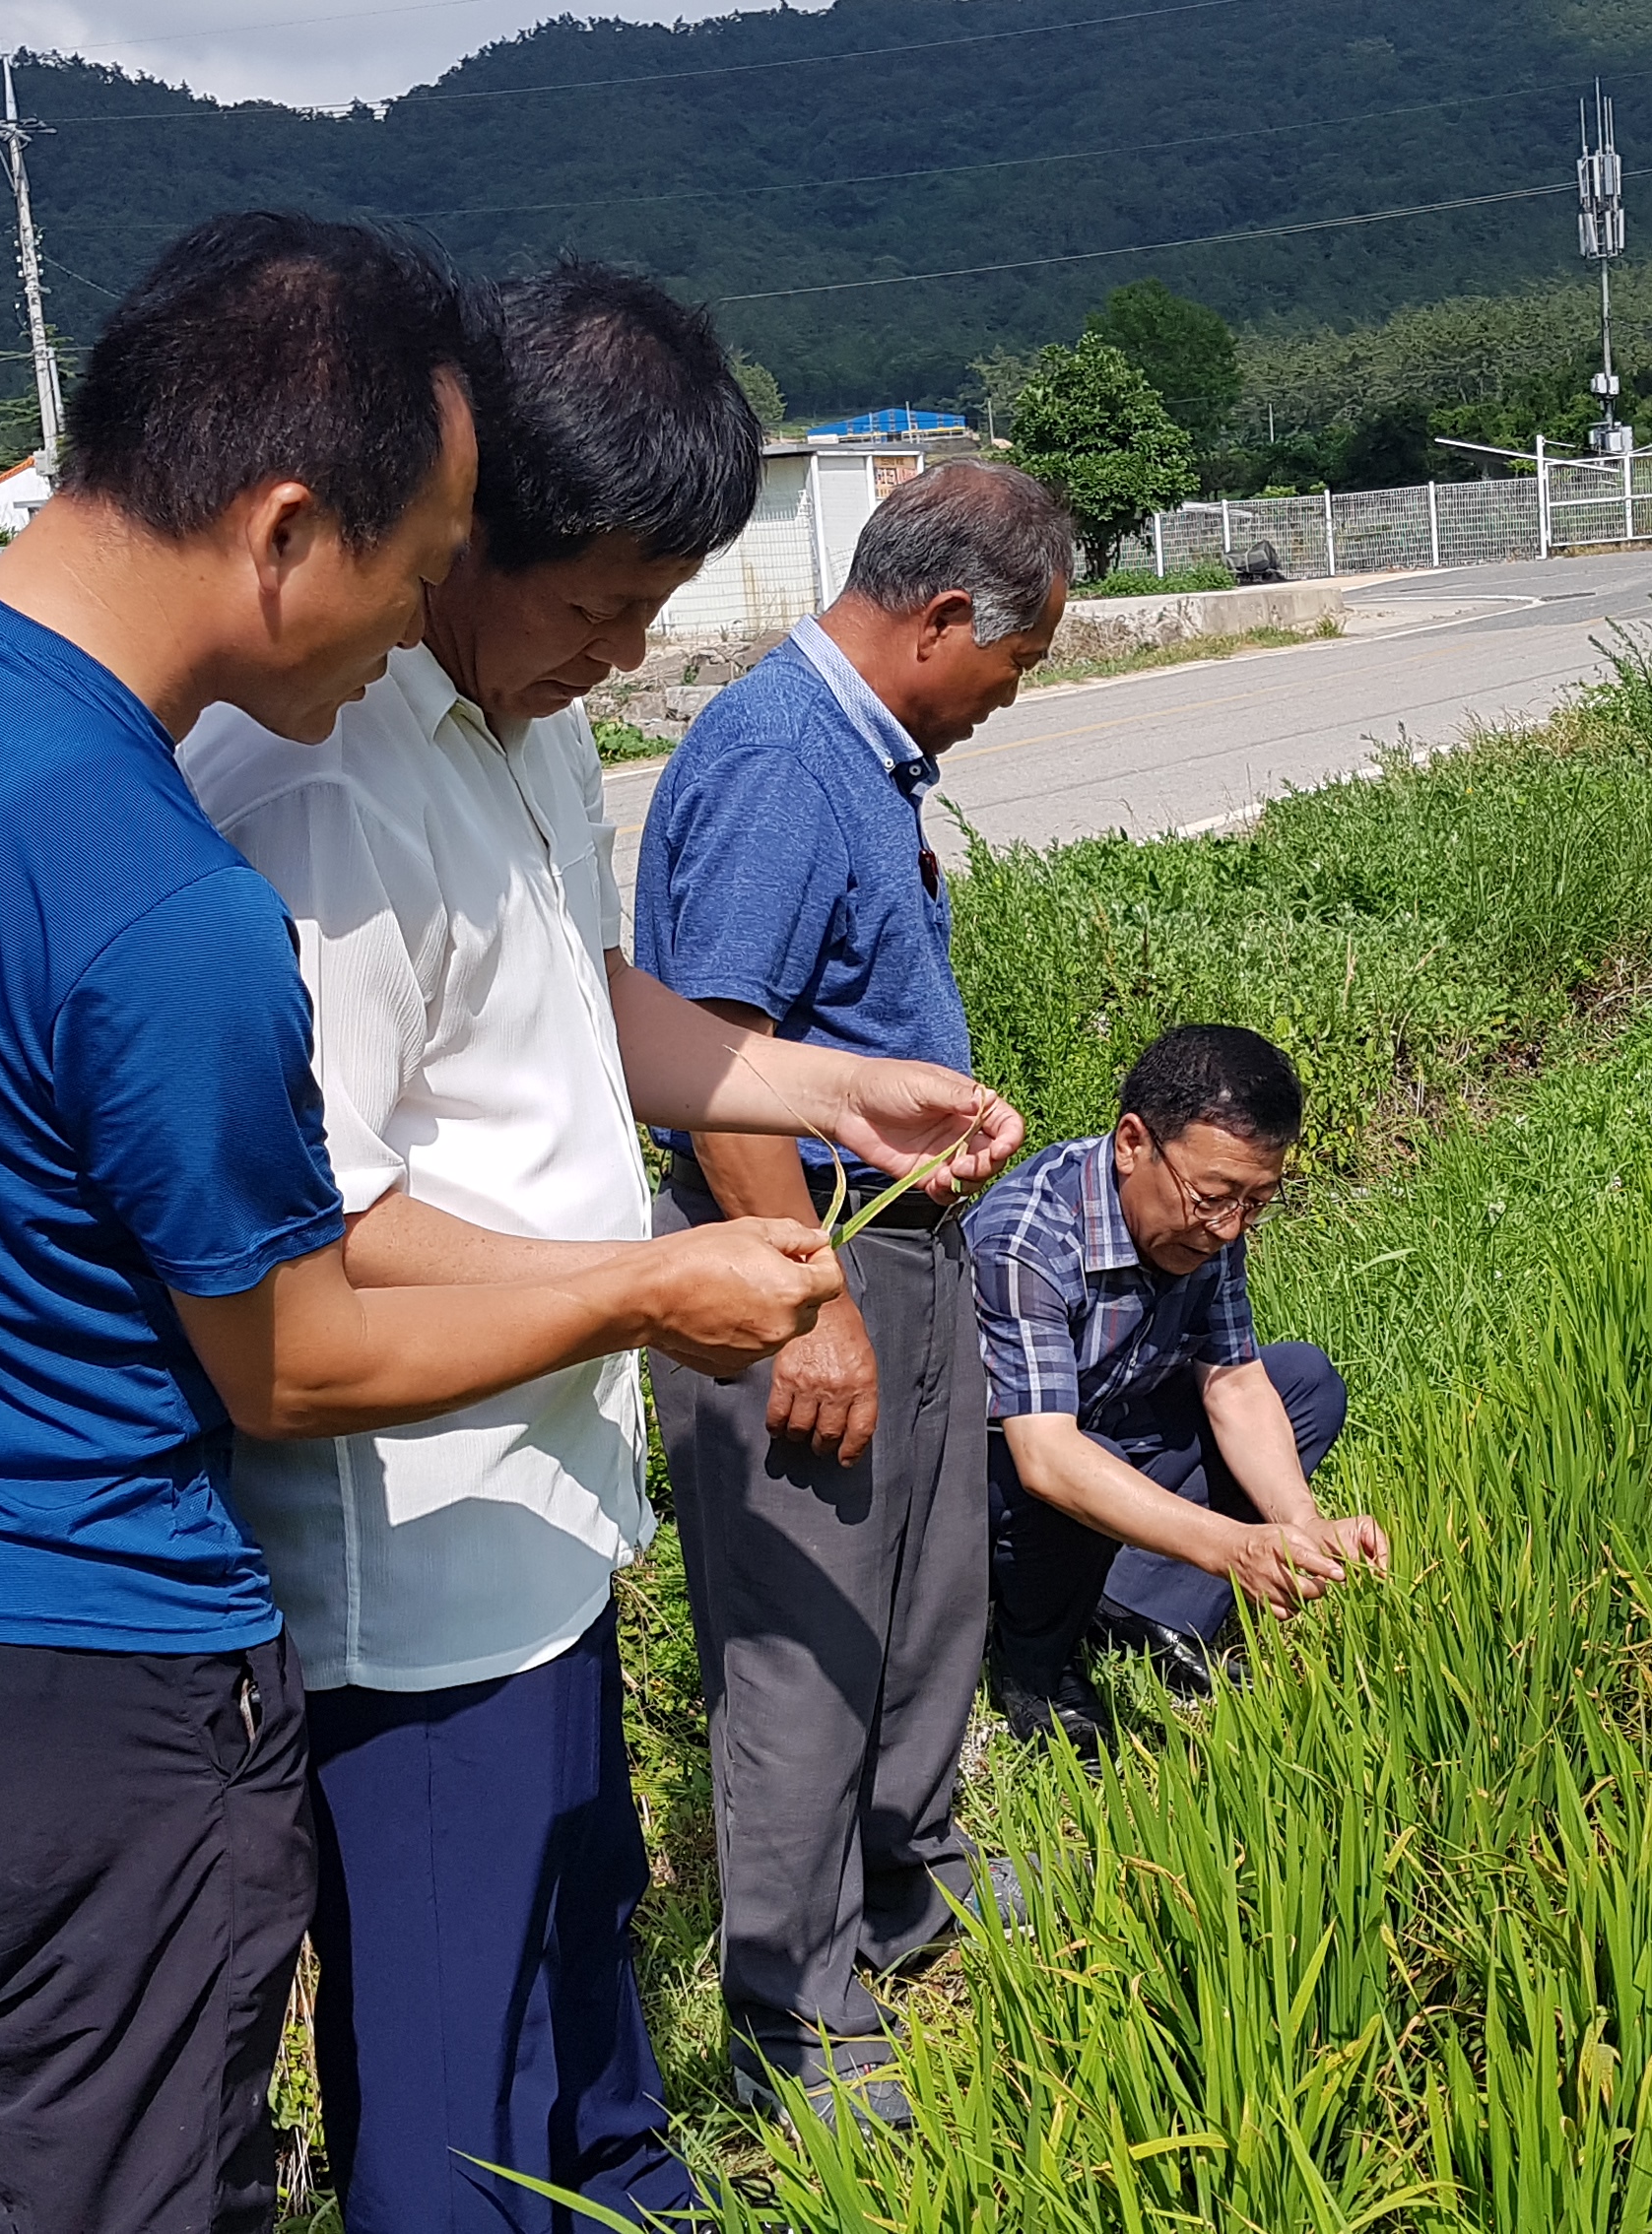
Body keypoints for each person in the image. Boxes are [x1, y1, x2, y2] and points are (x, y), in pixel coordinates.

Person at [0, 215, 847, 2234]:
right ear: (288, 529)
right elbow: (296, 1358)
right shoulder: (174, 903)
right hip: (66, 1686)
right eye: (417, 572)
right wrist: (654, 1285)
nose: (413, 629)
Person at [174, 263, 1019, 2231]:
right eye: (593, 604)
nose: (618, 653)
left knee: (580, 1971)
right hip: (414, 1556)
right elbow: (331, 1224)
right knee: (456, 2085)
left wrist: (824, 1091)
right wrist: (650, 1289)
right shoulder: (318, 777)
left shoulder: (520, 719)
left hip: (546, 1509)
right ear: (460, 527)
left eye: (653, 611)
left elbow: (584, 995)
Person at [630, 460, 1074, 2126]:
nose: (1001, 702)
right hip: (801, 1251)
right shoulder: (775, 756)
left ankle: (912, 1881)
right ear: (944, 619)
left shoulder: (859, 757)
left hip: (893, 1231)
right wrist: (805, 1299)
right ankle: (794, 2021)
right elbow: (709, 1054)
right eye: (1009, 667)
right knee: (807, 1635)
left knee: (920, 1593)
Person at [967, 1024, 1392, 1758]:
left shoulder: (1208, 1227)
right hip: (999, 1477)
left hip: (1112, 1427)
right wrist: (1234, 1548)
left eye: (1256, 1203)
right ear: (1133, 1142)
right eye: (1214, 1197)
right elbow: (1045, 1457)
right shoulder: (1026, 1239)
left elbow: (1235, 1384)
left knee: (1304, 1384)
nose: (1229, 1228)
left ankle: (1131, 1609)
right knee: (1078, 1459)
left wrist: (1299, 1524)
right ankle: (1035, 1662)